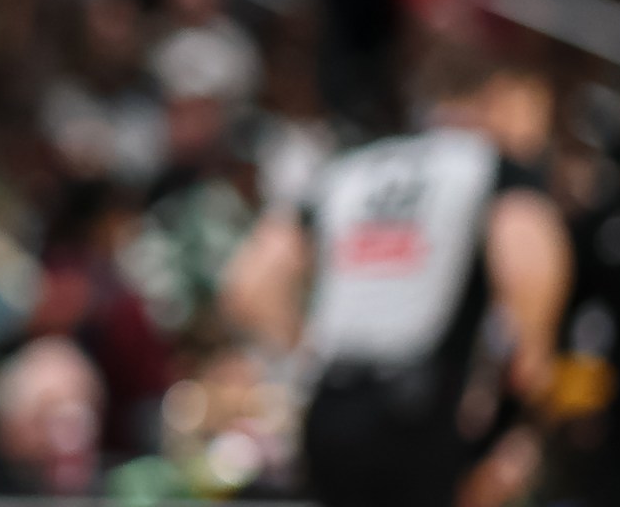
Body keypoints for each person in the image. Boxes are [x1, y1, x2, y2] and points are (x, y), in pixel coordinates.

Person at [222, 49, 574, 507]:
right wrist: (531, 374)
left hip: (329, 407)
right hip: (419, 410)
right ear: (497, 97)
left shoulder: (352, 167)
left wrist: (303, 351)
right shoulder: (491, 165)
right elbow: (527, 258)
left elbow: (248, 284)